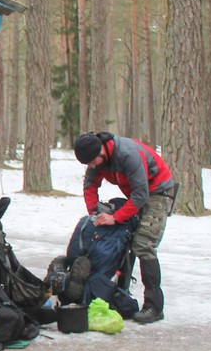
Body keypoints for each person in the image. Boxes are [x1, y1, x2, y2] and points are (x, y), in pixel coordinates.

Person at [72, 131, 177, 324]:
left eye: (94, 162)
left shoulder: (128, 155)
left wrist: (115, 218)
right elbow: (90, 185)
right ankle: (118, 292)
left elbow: (141, 194)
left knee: (143, 244)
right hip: (138, 193)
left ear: (101, 151)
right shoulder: (96, 158)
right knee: (125, 239)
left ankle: (154, 307)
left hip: (158, 192)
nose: (93, 167)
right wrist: (94, 213)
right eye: (89, 164)